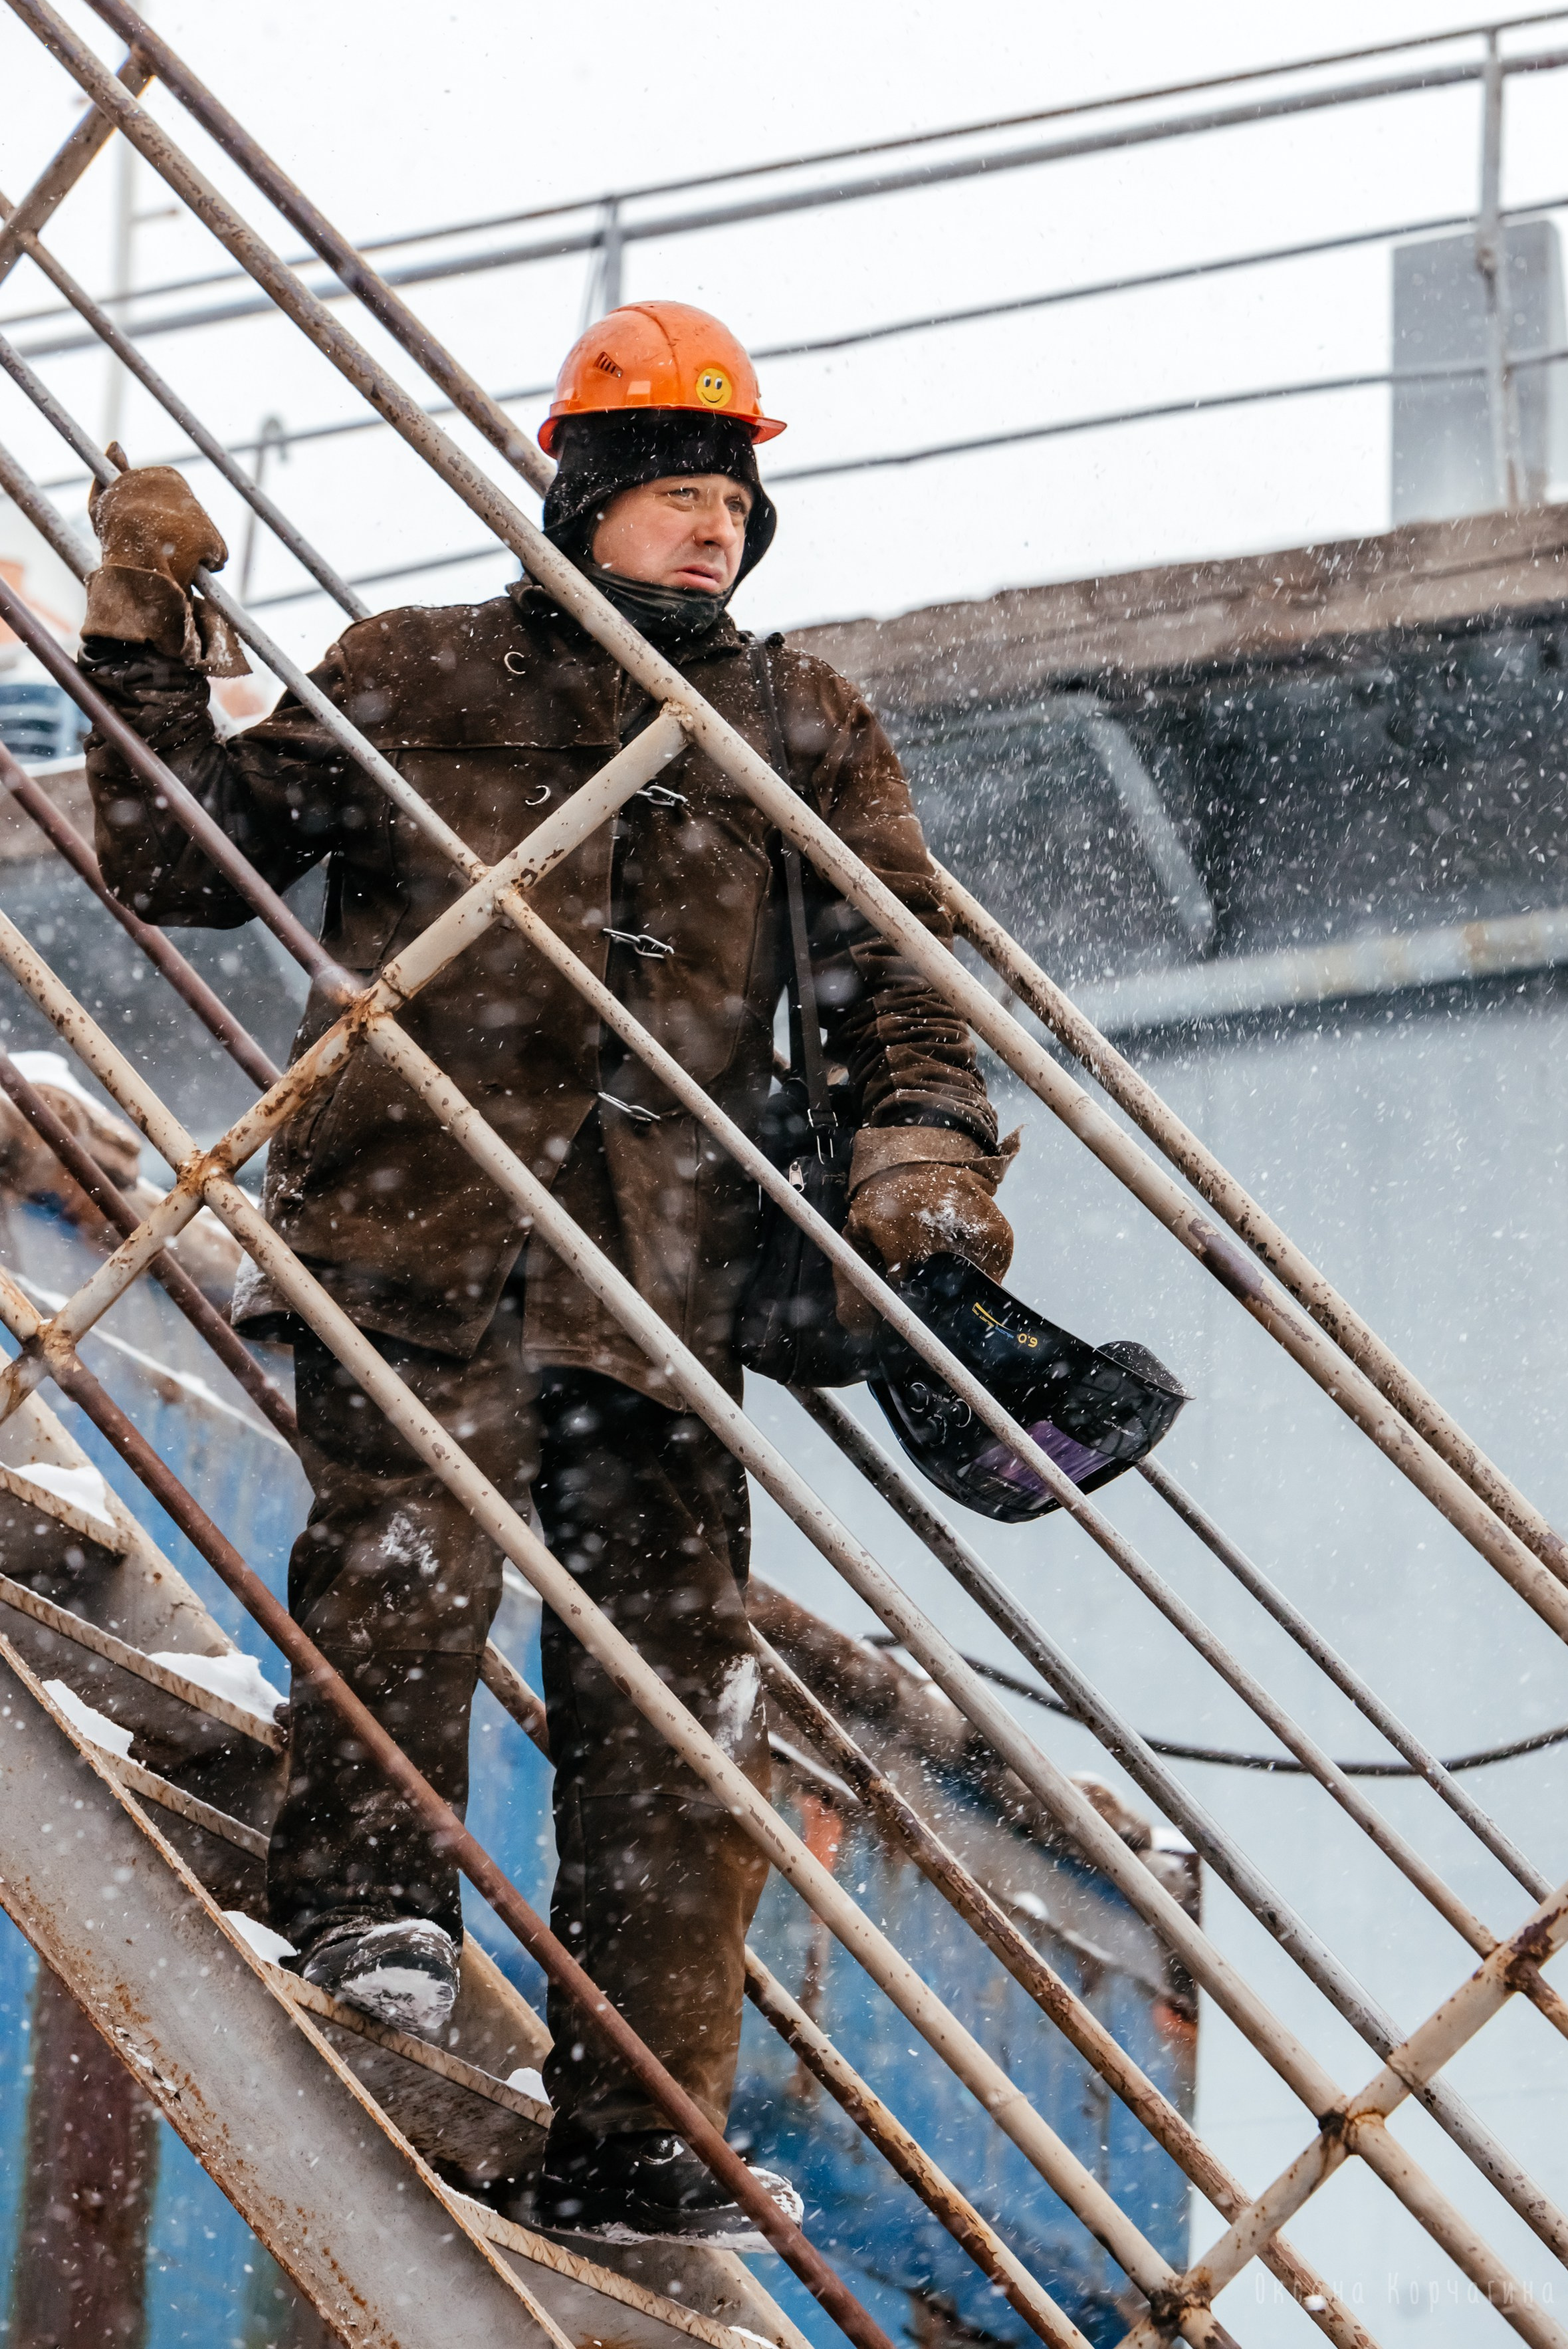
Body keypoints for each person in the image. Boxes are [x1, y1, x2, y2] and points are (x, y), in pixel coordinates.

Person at [78, 301, 1016, 2244]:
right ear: (581, 499)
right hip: (413, 1239)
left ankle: (644, 2104)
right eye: (675, 497)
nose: (711, 536)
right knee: (403, 1580)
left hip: (658, 1281)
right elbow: (190, 860)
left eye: (731, 508)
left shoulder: (797, 724)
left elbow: (896, 977)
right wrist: (138, 635)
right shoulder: (410, 672)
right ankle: (371, 1918)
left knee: (673, 1688)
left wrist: (927, 1161)